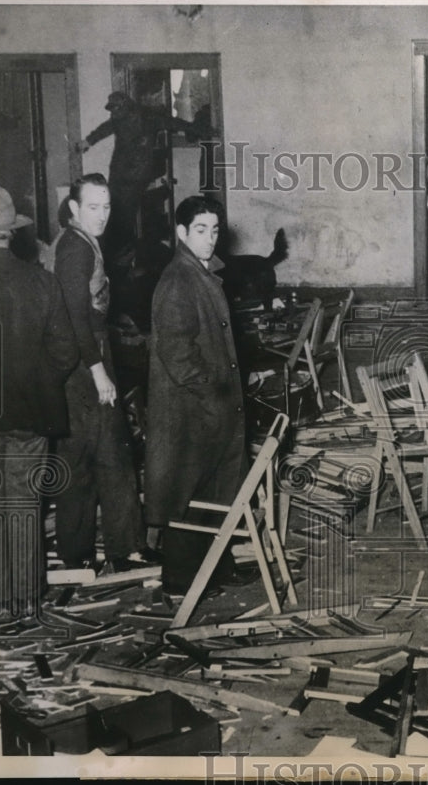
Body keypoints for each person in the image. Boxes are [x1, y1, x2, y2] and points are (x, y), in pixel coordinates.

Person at [0, 184, 79, 614]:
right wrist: (38, 383)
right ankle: (26, 599)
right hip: (31, 412)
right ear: (11, 233)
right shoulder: (42, 281)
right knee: (24, 504)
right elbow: (66, 352)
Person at [145, 195, 253, 596]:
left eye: (214, 230)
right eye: (201, 231)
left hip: (210, 406)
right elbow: (177, 352)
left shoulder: (202, 272)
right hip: (191, 409)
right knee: (187, 493)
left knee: (216, 489)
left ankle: (217, 568)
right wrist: (215, 391)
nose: (210, 239)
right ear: (181, 233)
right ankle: (179, 580)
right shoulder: (178, 280)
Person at [52, 173, 152, 572]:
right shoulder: (75, 248)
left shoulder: (80, 242)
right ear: (74, 208)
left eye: (106, 206)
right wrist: (97, 371)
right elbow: (75, 314)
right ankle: (111, 552)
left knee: (102, 455)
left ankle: (106, 551)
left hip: (84, 358)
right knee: (100, 457)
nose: (102, 215)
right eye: (93, 207)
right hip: (84, 364)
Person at [76, 92, 208, 291]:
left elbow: (173, 123)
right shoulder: (117, 119)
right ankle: (117, 262)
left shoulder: (148, 118)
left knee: (124, 218)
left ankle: (124, 264)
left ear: (127, 107)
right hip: (120, 172)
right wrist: (88, 141)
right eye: (112, 111)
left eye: (117, 110)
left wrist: (198, 129)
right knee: (113, 215)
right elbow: (105, 128)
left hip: (136, 175)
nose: (115, 114)